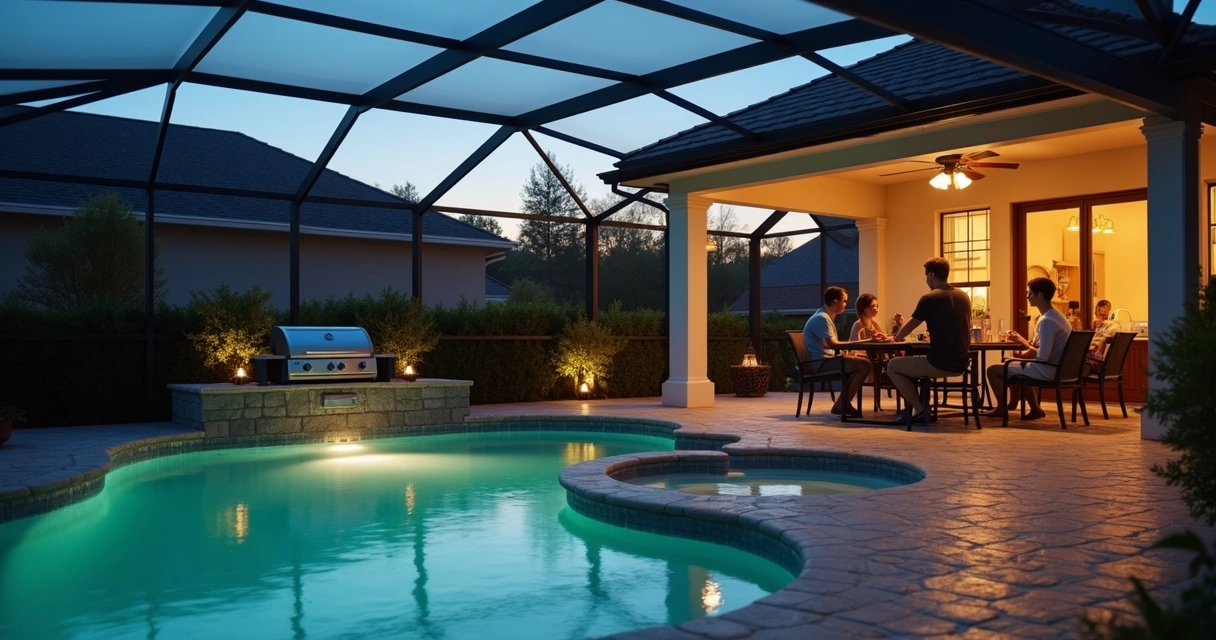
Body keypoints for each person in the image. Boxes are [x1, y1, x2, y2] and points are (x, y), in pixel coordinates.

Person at [887, 257, 972, 425]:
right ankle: (918, 407)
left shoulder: (929, 298)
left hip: (938, 362)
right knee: (909, 365)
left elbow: (912, 323)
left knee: (893, 366)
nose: (926, 280)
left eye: (926, 276)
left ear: (932, 275)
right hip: (961, 363)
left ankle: (921, 409)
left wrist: (894, 338)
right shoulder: (964, 297)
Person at [985, 277, 1072, 420]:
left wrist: (1021, 341)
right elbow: (1040, 348)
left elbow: (1042, 356)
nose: (1027, 296)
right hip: (1060, 368)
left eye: (1030, 293)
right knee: (1017, 364)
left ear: (1040, 295)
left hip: (1049, 369)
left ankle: (1001, 408)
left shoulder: (1046, 321)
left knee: (993, 370)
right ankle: (1035, 408)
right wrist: (1022, 341)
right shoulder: (1057, 317)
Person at [802, 286, 882, 417]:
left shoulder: (824, 316)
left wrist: (843, 352)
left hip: (825, 359)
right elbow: (833, 344)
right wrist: (866, 341)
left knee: (862, 363)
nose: (846, 304)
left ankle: (841, 404)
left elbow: (826, 344)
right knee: (865, 364)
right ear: (835, 301)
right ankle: (842, 404)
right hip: (821, 363)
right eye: (844, 301)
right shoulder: (822, 318)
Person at [1088, 299, 1119, 367]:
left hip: (1097, 362)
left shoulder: (1111, 325)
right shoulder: (1098, 325)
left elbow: (1101, 342)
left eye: (1103, 313)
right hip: (1105, 363)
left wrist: (1093, 343)